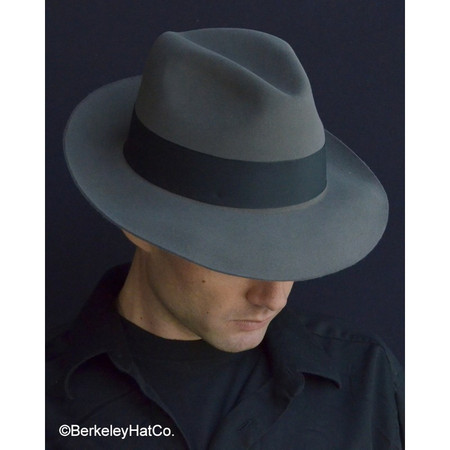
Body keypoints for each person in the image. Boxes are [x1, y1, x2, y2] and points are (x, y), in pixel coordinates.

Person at [46, 28, 404, 449]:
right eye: (241, 256)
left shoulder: (368, 381)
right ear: (138, 227)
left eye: (294, 255)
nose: (272, 298)